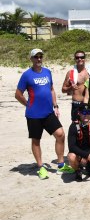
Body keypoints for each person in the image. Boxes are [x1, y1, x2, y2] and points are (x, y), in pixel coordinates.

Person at [15, 48, 71, 179]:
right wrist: (28, 104)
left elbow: (51, 89)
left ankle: (61, 164)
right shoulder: (27, 75)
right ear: (31, 59)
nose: (38, 59)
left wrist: (55, 105)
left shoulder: (47, 72)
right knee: (36, 140)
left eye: (40, 56)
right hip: (33, 115)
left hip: (48, 112)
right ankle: (40, 167)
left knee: (60, 134)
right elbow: (18, 94)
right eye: (36, 57)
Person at [66, 103, 90, 181]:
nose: (86, 115)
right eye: (83, 113)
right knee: (71, 156)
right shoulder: (73, 126)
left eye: (88, 112)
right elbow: (72, 146)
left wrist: (88, 155)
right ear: (79, 113)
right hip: (78, 153)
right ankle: (78, 170)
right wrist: (85, 155)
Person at [62, 49, 90, 122]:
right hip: (76, 104)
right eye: (77, 58)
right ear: (75, 59)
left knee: (89, 128)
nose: (80, 59)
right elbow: (63, 89)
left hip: (89, 104)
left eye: (82, 57)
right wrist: (70, 88)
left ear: (85, 58)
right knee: (76, 128)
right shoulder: (71, 73)